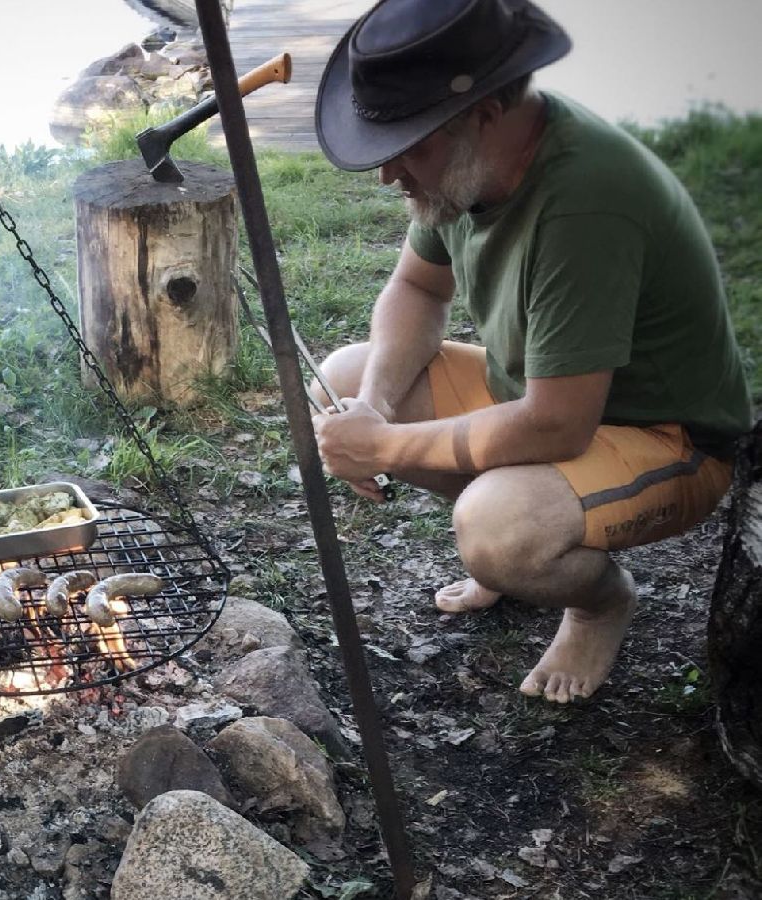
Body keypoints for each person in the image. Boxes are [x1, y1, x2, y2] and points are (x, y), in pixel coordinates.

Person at [309, 0, 754, 703]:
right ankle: (526, 522)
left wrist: (385, 447)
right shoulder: (468, 167)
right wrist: (374, 408)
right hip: (546, 399)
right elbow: (418, 289)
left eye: (408, 143)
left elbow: (558, 425)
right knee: (348, 375)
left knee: (497, 530)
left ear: (483, 111)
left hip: (666, 437)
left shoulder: (586, 202)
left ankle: (598, 602)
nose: (387, 174)